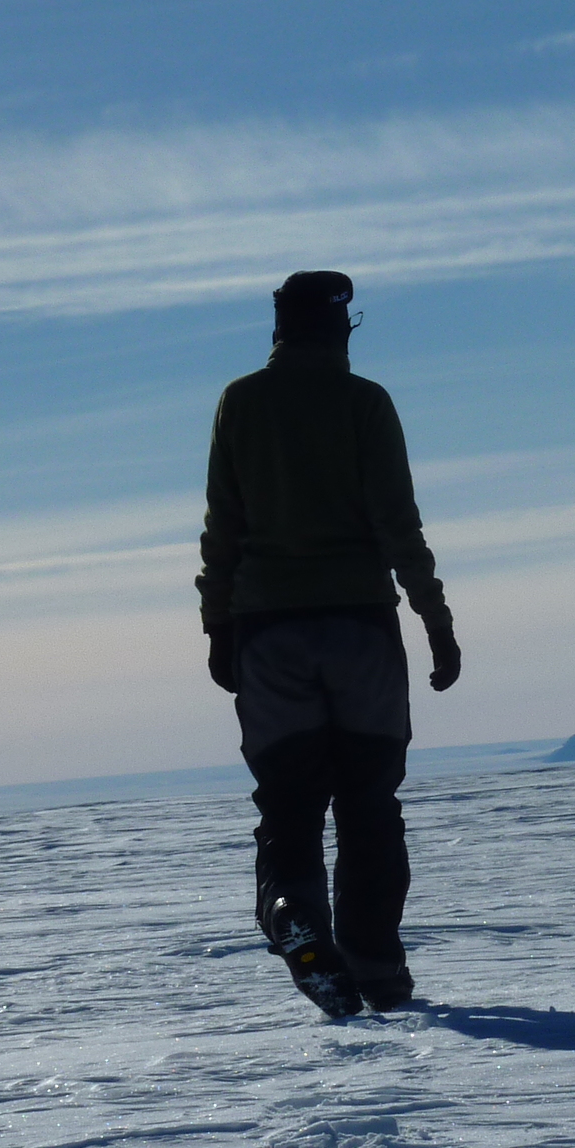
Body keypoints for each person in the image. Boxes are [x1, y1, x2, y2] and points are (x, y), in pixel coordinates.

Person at [196, 270, 462, 1018]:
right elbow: (398, 524)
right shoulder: (364, 402)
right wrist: (436, 621)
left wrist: (219, 626)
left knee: (288, 806)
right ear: (340, 327)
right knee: (369, 806)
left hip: (268, 632)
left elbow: (223, 526)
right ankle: (377, 970)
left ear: (279, 328)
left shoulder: (241, 402)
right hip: (360, 630)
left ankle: (292, 913)